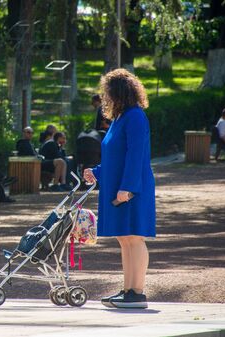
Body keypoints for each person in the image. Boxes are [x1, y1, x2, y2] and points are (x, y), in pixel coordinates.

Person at [83, 68, 155, 309]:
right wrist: (97, 172)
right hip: (119, 186)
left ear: (119, 92)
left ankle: (138, 291)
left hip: (132, 187)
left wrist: (127, 187)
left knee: (134, 237)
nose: (106, 97)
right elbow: (115, 156)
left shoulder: (135, 116)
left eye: (108, 92)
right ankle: (127, 290)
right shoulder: (120, 119)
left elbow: (136, 155)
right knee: (124, 239)